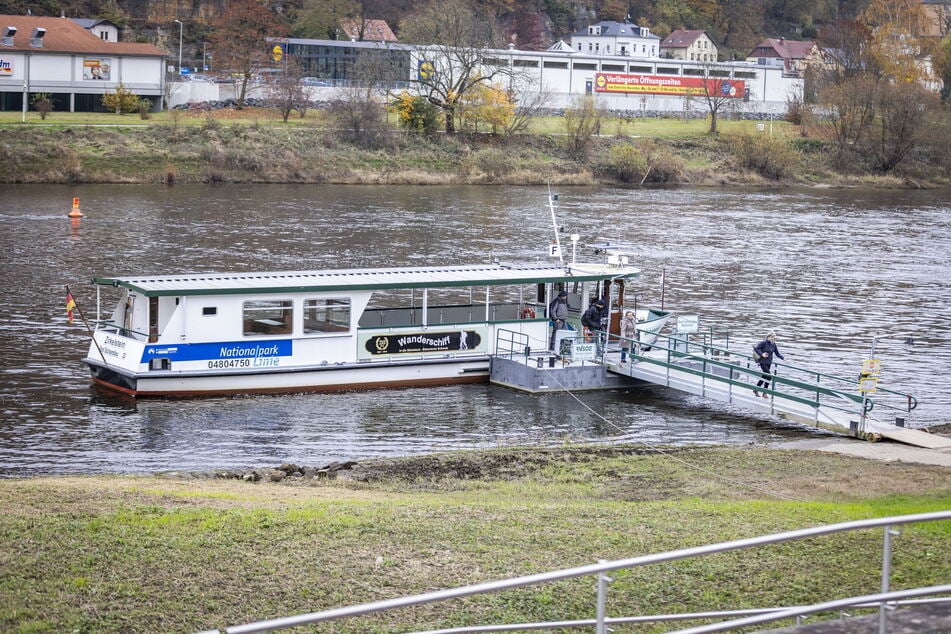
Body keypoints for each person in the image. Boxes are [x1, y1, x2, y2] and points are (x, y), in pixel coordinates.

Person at [753, 332, 784, 398]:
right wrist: (762, 354)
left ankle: (756, 389)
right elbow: (756, 348)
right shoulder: (764, 343)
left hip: (769, 362)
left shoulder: (773, 344)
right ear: (768, 337)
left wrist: (783, 358)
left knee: (764, 376)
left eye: (774, 338)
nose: (773, 339)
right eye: (772, 337)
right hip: (762, 362)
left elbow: (777, 353)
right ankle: (765, 393)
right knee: (769, 376)